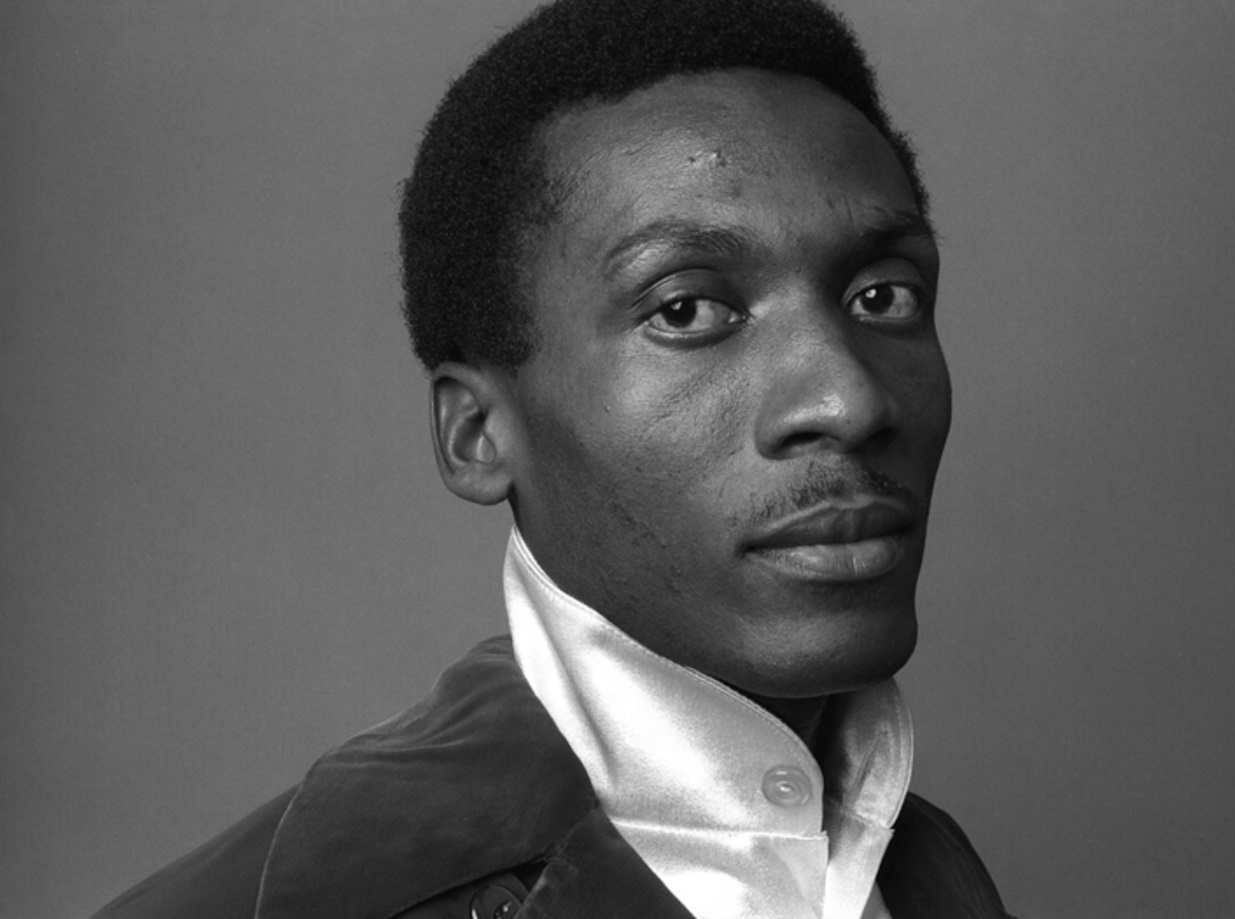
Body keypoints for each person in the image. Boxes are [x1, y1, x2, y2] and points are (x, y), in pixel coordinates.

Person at [93, 0, 1013, 916]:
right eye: (687, 310)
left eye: (883, 295)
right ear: (477, 433)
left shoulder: (922, 871)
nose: (848, 400)